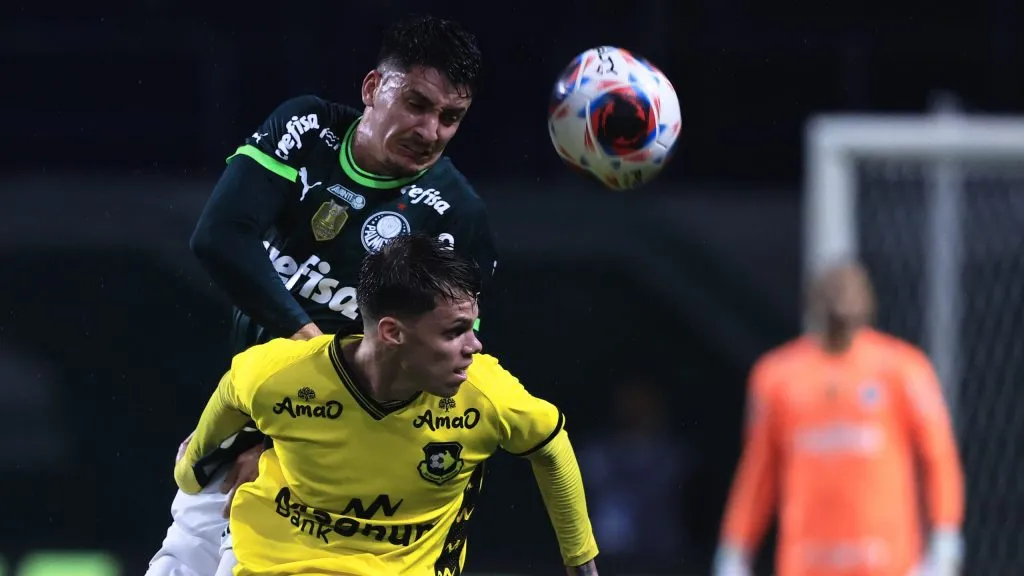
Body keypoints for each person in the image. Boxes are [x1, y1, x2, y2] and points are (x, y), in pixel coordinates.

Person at [146, 14, 498, 576]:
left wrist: (300, 424)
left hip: (338, 446)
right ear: (371, 89)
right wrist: (304, 354)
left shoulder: (456, 216)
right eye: (416, 103)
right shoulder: (308, 129)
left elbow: (447, 368)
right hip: (257, 406)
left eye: (450, 117)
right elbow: (219, 237)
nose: (430, 130)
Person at [174, 233, 601, 576]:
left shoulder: (486, 392)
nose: (475, 345)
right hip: (277, 565)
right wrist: (191, 465)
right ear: (393, 333)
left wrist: (580, 559)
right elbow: (231, 394)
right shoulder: (280, 375)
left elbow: (550, 443)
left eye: (471, 327)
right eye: (454, 332)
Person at [713, 262, 965, 576]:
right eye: (832, 290)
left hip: (887, 561)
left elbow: (938, 456)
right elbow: (759, 469)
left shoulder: (903, 368)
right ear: (811, 302)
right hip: (807, 560)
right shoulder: (776, 376)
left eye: (850, 290)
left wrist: (945, 535)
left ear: (869, 301)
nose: (840, 298)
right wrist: (735, 548)